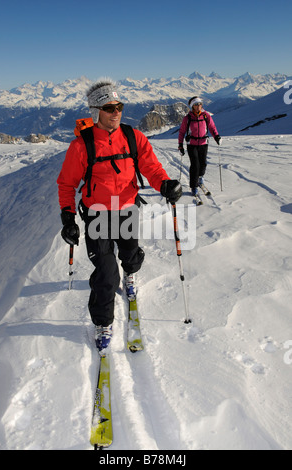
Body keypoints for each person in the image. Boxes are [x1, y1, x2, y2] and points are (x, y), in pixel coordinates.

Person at [57, 78, 182, 356]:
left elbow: (151, 166)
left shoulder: (133, 136)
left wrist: (163, 184)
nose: (116, 112)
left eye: (119, 106)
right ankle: (103, 323)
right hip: (97, 215)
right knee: (105, 272)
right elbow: (66, 184)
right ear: (96, 111)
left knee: (130, 254)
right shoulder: (82, 146)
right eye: (109, 107)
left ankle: (131, 275)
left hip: (126, 207)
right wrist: (68, 218)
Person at [178, 96, 221, 198]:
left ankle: (200, 179)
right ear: (192, 106)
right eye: (196, 104)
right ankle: (194, 186)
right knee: (195, 166)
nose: (199, 106)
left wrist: (217, 136)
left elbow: (212, 127)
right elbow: (182, 132)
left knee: (203, 164)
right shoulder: (187, 118)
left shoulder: (206, 116)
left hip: (203, 143)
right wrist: (180, 145)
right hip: (191, 145)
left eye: (200, 104)